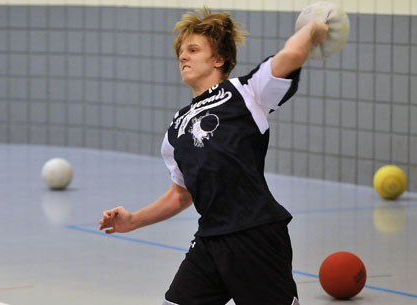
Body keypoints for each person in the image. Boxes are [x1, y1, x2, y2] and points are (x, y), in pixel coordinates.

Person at [99, 7, 328, 305]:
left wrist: (310, 29)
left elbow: (291, 56)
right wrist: (133, 220)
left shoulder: (247, 93)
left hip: (255, 234)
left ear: (218, 59)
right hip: (210, 239)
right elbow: (180, 195)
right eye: (181, 52)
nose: (183, 57)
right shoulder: (175, 129)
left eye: (193, 50)